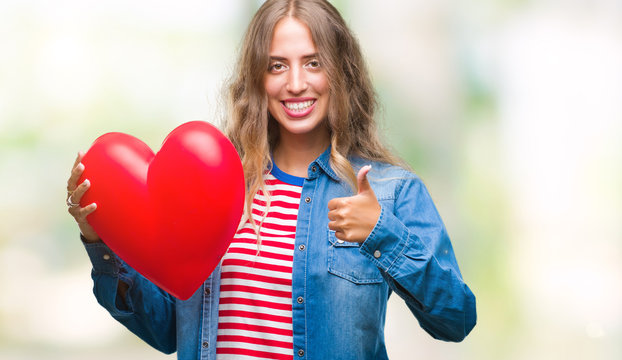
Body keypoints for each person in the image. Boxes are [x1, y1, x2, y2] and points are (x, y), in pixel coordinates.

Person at [66, 0, 476, 359]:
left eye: (313, 63)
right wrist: (99, 239)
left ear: (342, 71)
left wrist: (382, 233)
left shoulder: (391, 191)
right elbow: (166, 330)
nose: (295, 84)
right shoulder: (215, 188)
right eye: (276, 66)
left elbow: (455, 319)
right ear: (257, 79)